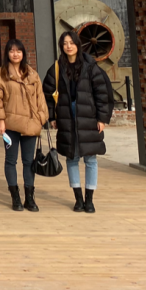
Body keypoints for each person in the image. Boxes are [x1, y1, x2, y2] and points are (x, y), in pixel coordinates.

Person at [42, 30, 113, 213]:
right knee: (71, 157)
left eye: (71, 43)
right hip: (66, 115)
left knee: (90, 158)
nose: (69, 46)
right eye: (65, 43)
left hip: (88, 115)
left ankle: (89, 200)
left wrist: (102, 118)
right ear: (61, 46)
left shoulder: (90, 66)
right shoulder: (57, 68)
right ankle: (78, 199)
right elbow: (47, 95)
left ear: (78, 44)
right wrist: (52, 117)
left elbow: (102, 94)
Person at [0, 38, 49, 212]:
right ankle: (15, 197)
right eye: (12, 51)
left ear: (23, 53)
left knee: (29, 161)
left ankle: (29, 197)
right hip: (10, 126)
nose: (15, 54)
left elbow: (40, 98)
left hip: (30, 124)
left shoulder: (32, 74)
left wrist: (41, 118)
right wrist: (0, 120)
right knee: (11, 160)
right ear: (7, 53)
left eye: (18, 51)